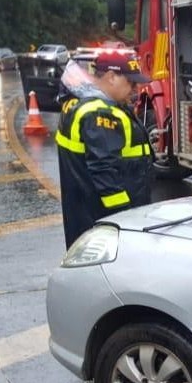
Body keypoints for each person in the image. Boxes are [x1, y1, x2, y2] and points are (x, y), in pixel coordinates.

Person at [55, 51, 153, 248]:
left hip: (87, 218)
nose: (135, 89)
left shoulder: (84, 103)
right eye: (131, 82)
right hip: (104, 224)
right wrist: (126, 218)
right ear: (111, 77)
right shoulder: (99, 115)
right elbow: (105, 174)